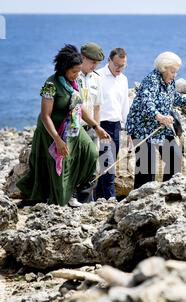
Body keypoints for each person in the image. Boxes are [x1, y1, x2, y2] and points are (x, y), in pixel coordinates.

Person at [17, 44, 110, 207]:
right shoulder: (50, 84)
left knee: (91, 154)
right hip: (52, 130)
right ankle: (61, 201)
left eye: (78, 71)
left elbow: (80, 109)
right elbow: (45, 116)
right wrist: (57, 140)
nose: (76, 75)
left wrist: (96, 127)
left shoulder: (75, 84)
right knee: (61, 166)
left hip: (72, 127)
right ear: (64, 68)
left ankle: (73, 190)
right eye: (74, 71)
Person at [126, 51, 186, 189]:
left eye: (176, 72)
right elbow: (146, 103)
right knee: (146, 166)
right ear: (164, 68)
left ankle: (169, 191)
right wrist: (160, 117)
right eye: (173, 71)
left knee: (174, 158)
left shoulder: (169, 81)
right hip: (142, 128)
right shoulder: (151, 80)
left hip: (160, 128)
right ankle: (141, 198)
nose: (175, 75)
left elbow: (174, 97)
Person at [94, 48, 129, 200]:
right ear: (109, 61)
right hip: (101, 125)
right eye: (117, 65)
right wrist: (95, 127)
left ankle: (98, 199)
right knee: (108, 166)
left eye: (123, 65)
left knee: (107, 165)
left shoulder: (124, 79)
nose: (119, 68)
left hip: (116, 127)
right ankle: (111, 199)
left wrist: (128, 130)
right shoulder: (98, 76)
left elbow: (124, 106)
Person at [78, 42, 105, 145]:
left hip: (90, 129)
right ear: (82, 57)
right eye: (93, 62)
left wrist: (97, 130)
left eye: (97, 63)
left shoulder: (97, 78)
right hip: (74, 129)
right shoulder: (73, 76)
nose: (95, 66)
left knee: (92, 159)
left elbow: (97, 107)